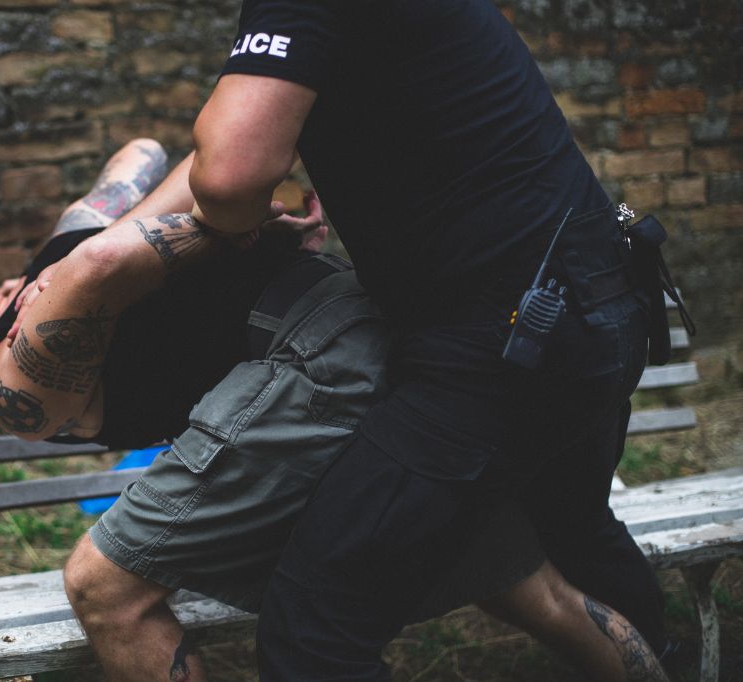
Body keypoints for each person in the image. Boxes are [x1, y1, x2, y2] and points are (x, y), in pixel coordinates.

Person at [0, 140, 666, 682]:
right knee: (525, 581)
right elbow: (141, 157)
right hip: (384, 336)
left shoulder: (15, 375)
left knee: (102, 584)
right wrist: (210, 223)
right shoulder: (65, 239)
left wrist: (206, 234)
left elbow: (109, 263)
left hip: (314, 358)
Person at [169, 1, 672, 680]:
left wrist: (229, 220)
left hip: (506, 337)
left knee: (314, 627)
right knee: (574, 533)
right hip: (596, 298)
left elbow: (230, 175)